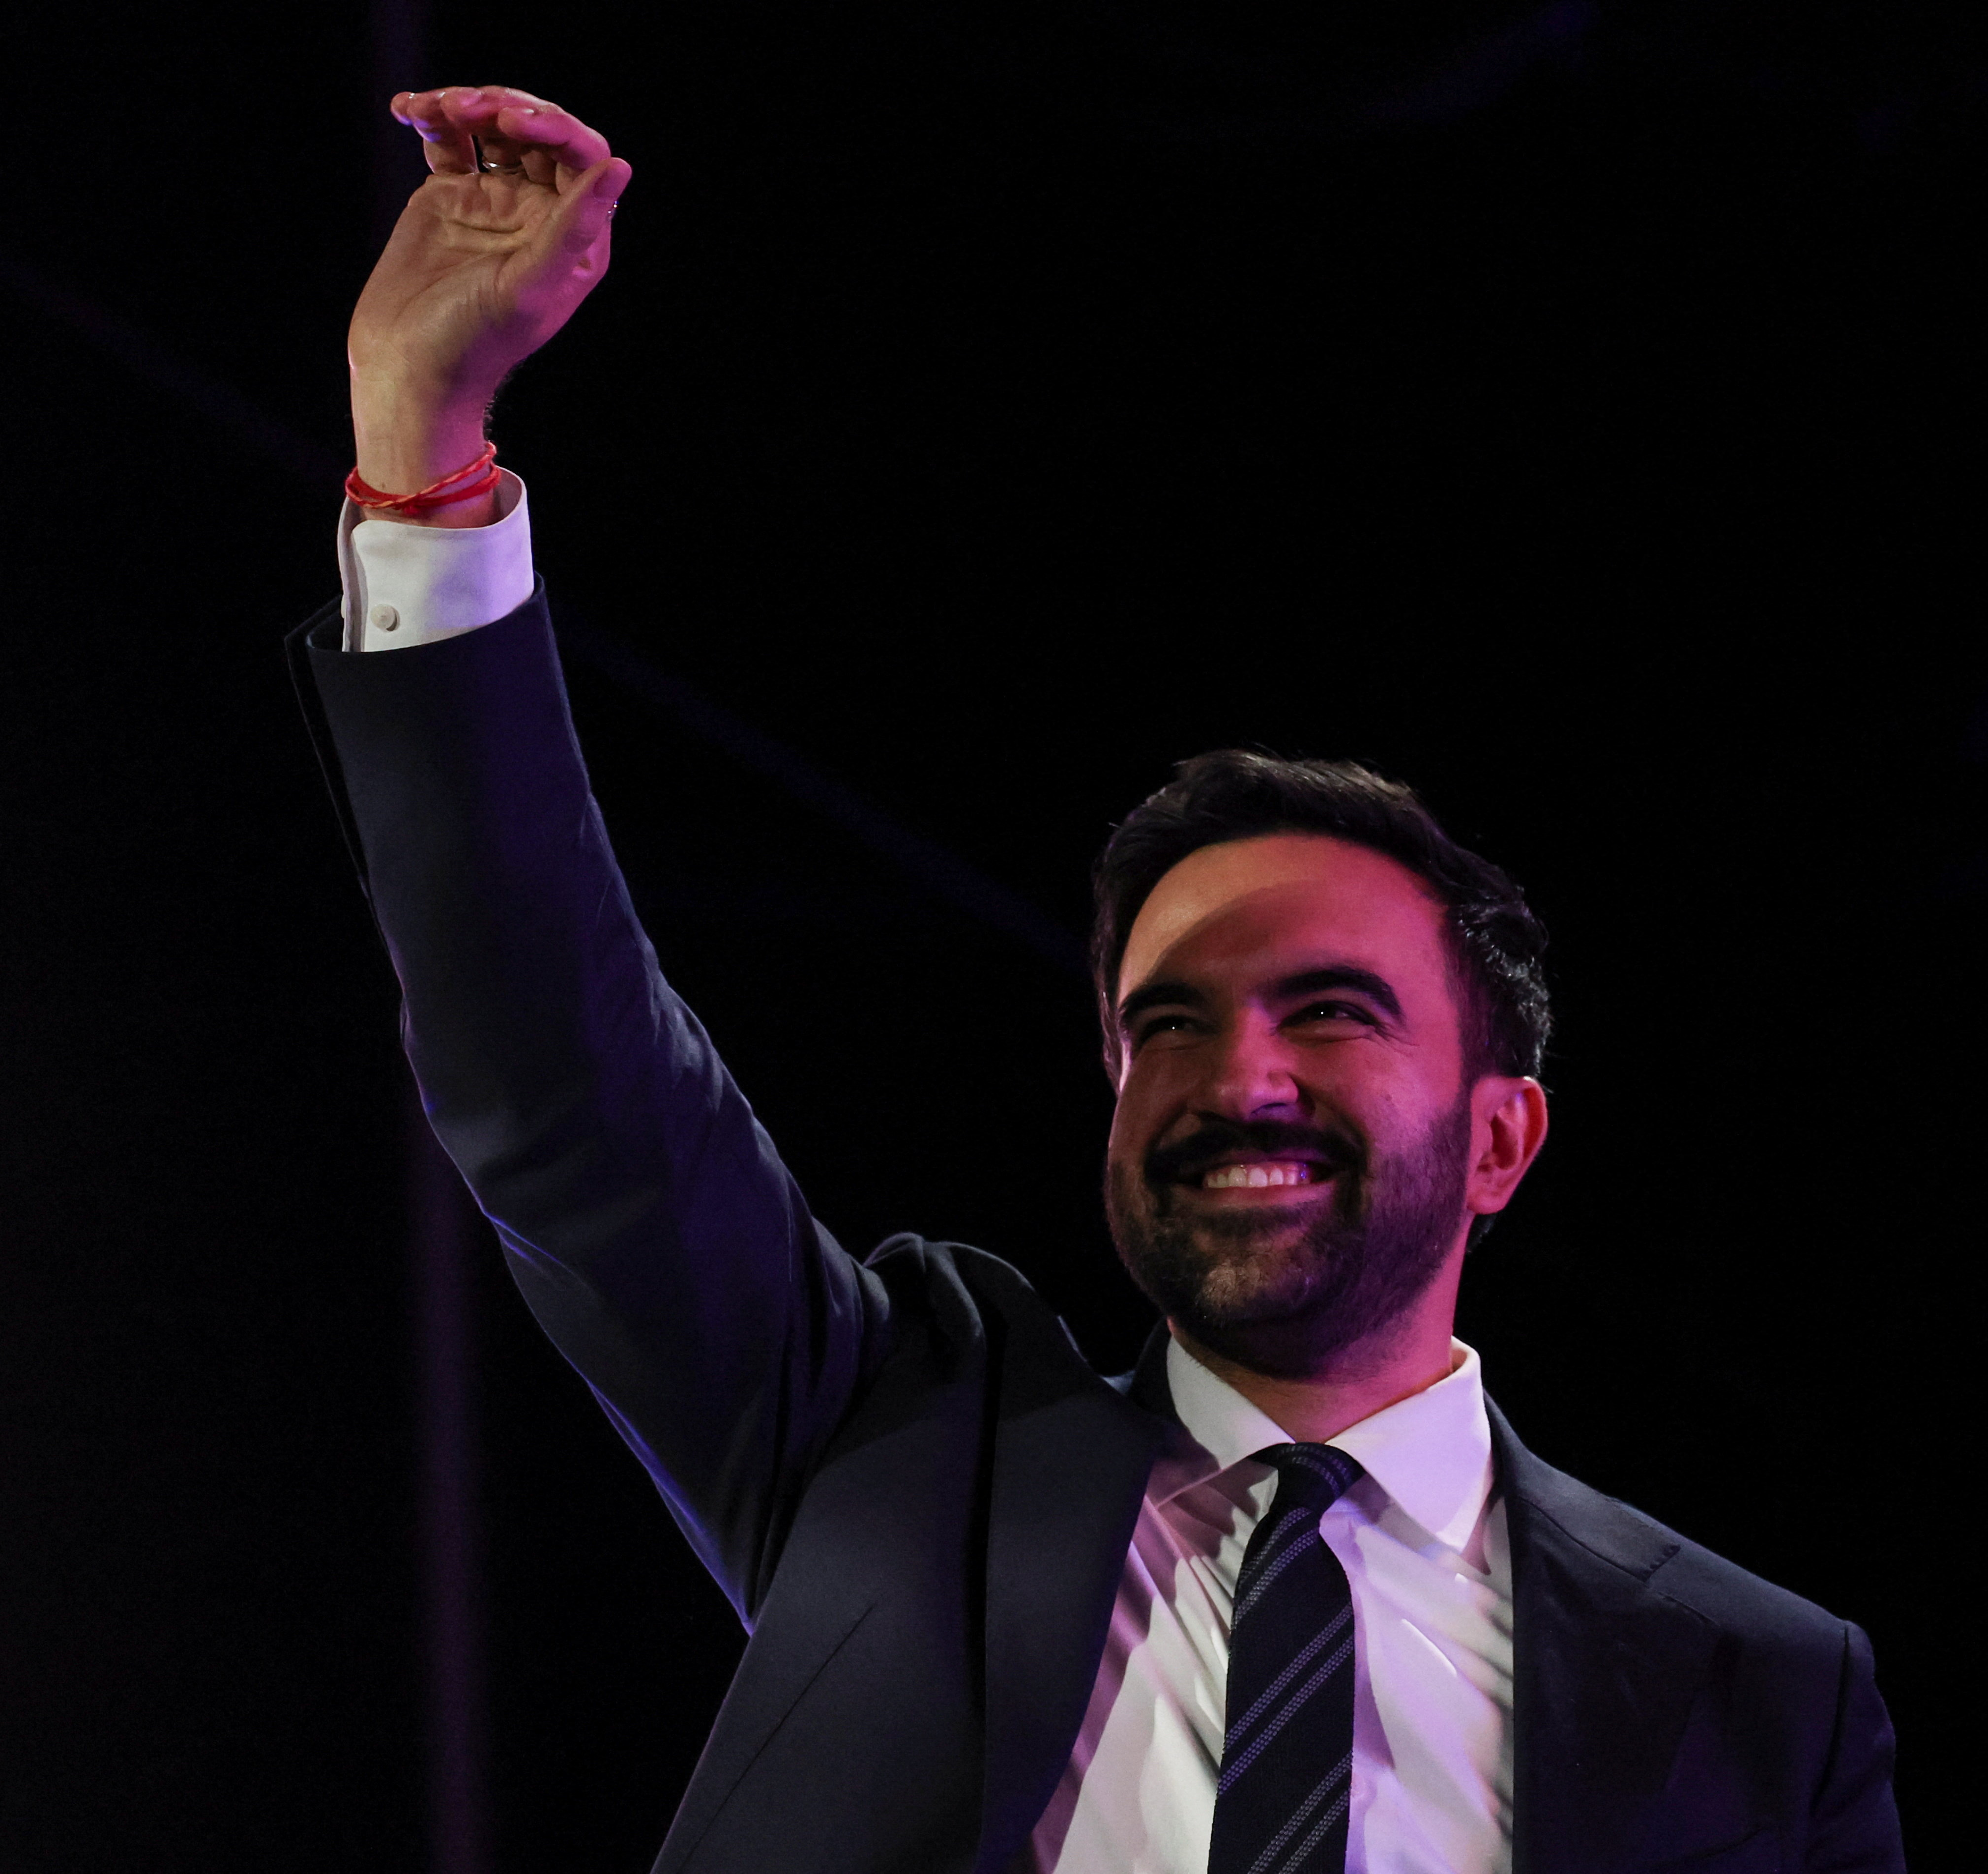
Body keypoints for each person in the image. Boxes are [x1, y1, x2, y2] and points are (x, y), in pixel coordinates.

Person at [299, 82, 1905, 1874]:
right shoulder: (890, 1449)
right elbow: (560, 1086)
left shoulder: (1753, 1690)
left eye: (1329, 1011)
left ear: (1503, 1136)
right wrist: (423, 445)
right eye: (1169, 1023)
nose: (1242, 1077)